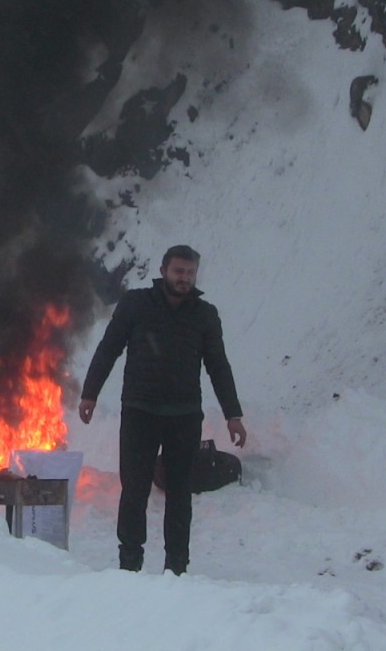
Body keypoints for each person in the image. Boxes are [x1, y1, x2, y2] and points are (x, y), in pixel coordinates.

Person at [78, 245, 247, 575]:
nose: (184, 278)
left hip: (184, 416)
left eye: (190, 273)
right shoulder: (136, 304)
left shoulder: (204, 314)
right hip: (140, 411)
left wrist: (233, 414)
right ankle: (129, 563)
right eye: (178, 271)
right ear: (164, 271)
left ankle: (177, 566)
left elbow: (218, 366)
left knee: (180, 492)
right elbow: (108, 348)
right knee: (134, 489)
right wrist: (90, 394)